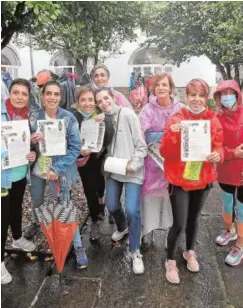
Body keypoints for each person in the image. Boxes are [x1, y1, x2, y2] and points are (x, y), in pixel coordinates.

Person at [160, 79, 223, 284]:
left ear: (206, 98)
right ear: (186, 96)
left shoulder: (212, 119)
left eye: (201, 95)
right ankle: (170, 260)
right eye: (192, 95)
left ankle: (189, 251)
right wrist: (173, 134)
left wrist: (217, 154)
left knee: (194, 218)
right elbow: (165, 152)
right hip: (179, 179)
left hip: (202, 178)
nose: (196, 99)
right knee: (179, 222)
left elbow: (218, 145)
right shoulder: (176, 119)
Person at [24, 80, 88, 269]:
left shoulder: (68, 118)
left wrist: (57, 169)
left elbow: (76, 147)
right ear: (42, 96)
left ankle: (77, 246)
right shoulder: (34, 117)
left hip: (58, 172)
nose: (52, 97)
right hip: (38, 171)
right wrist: (31, 141)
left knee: (65, 207)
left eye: (56, 94)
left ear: (61, 97)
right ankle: (37, 223)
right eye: (48, 94)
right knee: (36, 202)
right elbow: (26, 145)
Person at [94, 88, 148, 274]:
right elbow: (97, 147)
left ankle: (135, 250)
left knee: (132, 209)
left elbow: (141, 145)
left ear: (113, 97)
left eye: (106, 98)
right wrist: (97, 128)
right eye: (99, 101)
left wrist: (135, 164)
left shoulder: (127, 114)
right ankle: (123, 226)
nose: (104, 103)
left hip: (132, 168)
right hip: (114, 168)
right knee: (112, 206)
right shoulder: (99, 119)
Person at [139, 73, 181, 245]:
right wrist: (170, 131)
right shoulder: (147, 110)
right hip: (152, 162)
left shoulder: (180, 109)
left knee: (172, 200)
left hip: (174, 163)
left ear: (171, 88)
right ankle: (146, 231)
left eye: (165, 84)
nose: (161, 88)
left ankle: (173, 234)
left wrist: (163, 134)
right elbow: (147, 135)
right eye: (158, 85)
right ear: (153, 89)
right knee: (149, 198)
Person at [1, 78, 36, 284]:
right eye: (16, 93)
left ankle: (17, 238)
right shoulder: (1, 114)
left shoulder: (27, 117)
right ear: (9, 93)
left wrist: (31, 151)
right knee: (1, 217)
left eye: (24, 94)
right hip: (3, 176)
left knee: (16, 208)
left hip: (20, 173)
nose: (20, 97)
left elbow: (26, 145)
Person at [73, 85, 114, 241]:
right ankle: (95, 219)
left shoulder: (101, 115)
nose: (87, 103)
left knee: (100, 185)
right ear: (77, 102)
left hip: (99, 158)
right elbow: (69, 140)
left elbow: (109, 137)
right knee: (89, 189)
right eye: (83, 100)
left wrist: (105, 122)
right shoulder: (74, 117)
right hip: (84, 161)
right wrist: (79, 150)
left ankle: (102, 204)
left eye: (91, 99)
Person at [213, 80, 243, 266]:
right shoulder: (216, 118)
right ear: (218, 98)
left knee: (241, 207)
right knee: (226, 203)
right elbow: (214, 145)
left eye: (230, 92)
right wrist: (232, 153)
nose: (227, 97)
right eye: (223, 94)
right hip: (224, 168)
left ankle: (240, 244)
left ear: (238, 95)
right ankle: (229, 230)